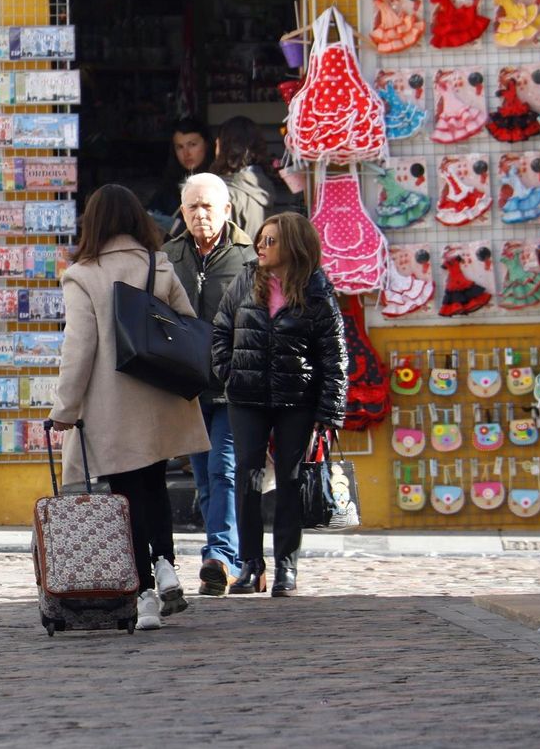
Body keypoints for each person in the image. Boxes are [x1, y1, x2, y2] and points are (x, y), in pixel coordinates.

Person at [49, 184, 209, 630]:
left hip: (113, 405)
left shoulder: (83, 275)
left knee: (125, 497)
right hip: (159, 395)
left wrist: (64, 409)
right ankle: (166, 564)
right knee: (155, 485)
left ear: (93, 222)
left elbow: (78, 349)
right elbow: (187, 323)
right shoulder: (158, 264)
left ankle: (144, 597)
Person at [212, 213, 347, 597]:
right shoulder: (245, 279)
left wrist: (330, 410)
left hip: (296, 399)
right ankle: (250, 565)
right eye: (261, 239)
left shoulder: (316, 289)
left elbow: (334, 355)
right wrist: (229, 372)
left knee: (290, 480)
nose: (261, 246)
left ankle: (286, 566)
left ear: (293, 245)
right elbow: (221, 329)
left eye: (271, 241)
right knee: (248, 478)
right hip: (247, 397)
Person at [161, 174, 255, 596]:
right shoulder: (169, 256)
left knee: (224, 470)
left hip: (232, 385)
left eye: (208, 206)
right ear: (182, 211)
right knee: (203, 476)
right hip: (189, 386)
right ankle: (228, 559)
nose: (200, 214)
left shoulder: (248, 257)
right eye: (192, 207)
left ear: (227, 210)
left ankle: (219, 556)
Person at [146, 117, 214, 232]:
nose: (186, 153)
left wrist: (177, 227)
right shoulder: (169, 184)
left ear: (206, 145)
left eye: (192, 145)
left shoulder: (217, 183)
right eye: (180, 147)